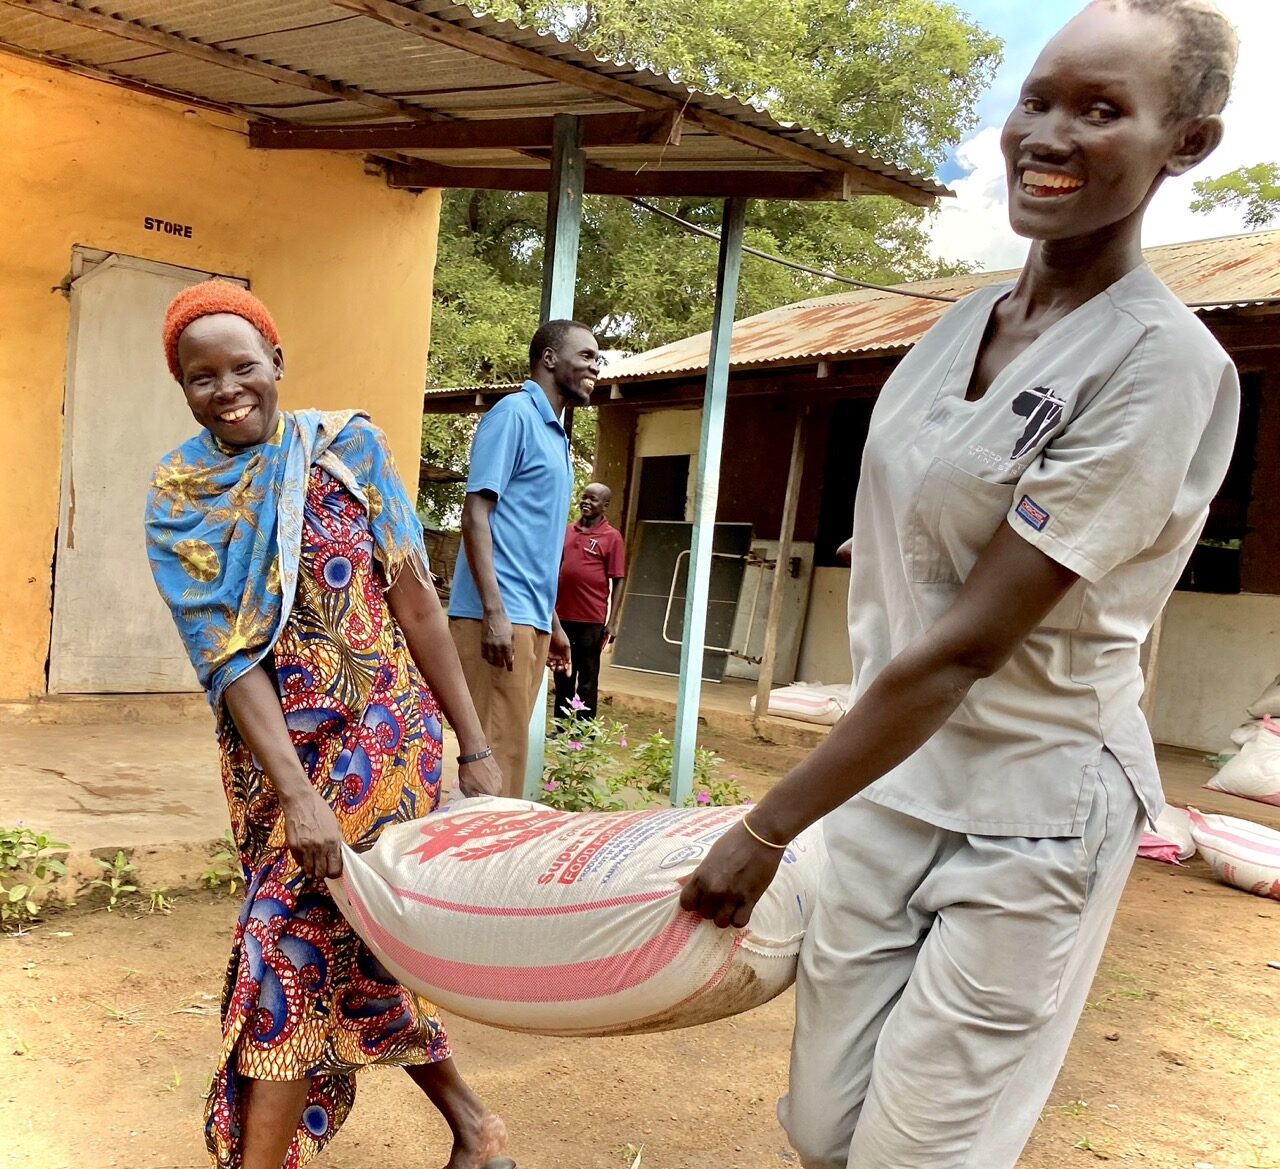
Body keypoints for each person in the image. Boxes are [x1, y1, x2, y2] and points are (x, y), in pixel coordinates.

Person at [679, 2, 1240, 1166]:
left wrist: (766, 824)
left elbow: (971, 644)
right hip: (893, 782)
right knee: (825, 1126)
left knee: (918, 1150)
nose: (1048, 134)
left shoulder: (1161, 365)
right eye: (1038, 100)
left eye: (1100, 110)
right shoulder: (957, 324)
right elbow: (927, 508)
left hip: (1030, 810)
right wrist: (897, 553)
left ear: (1182, 144)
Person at [144, 281, 514, 1169]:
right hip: (284, 763)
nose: (227, 388)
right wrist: (299, 793)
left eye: (243, 365)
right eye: (202, 377)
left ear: (277, 362)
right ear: (183, 388)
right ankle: (473, 1121)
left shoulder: (346, 446)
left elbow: (415, 598)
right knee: (355, 939)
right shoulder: (180, 496)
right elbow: (230, 659)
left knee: (289, 941)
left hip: (389, 738)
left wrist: (476, 745)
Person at [448, 320, 600, 796]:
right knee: (490, 760)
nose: (596, 366)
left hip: (528, 619)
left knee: (509, 754)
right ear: (550, 359)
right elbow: (475, 515)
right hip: (497, 617)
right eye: (588, 355)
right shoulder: (512, 415)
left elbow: (530, 544)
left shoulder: (556, 436)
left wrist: (551, 623)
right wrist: (495, 611)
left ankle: (486, 862)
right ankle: (472, 865)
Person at [553, 482, 626, 722]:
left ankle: (583, 730)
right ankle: (562, 727)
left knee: (587, 677)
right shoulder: (567, 531)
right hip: (561, 617)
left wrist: (612, 621)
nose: (586, 502)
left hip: (591, 620)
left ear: (604, 506)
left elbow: (618, 580)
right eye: (584, 497)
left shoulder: (612, 537)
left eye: (593, 499)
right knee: (562, 674)